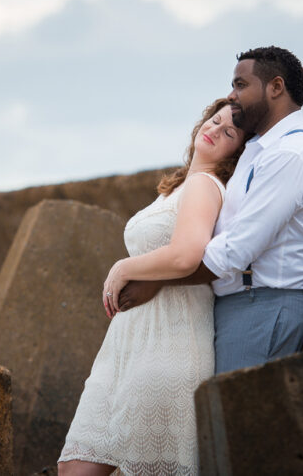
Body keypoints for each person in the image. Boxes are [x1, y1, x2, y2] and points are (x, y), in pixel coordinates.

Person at [117, 46, 303, 375]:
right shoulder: (261, 149)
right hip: (245, 303)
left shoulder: (292, 153)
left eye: (241, 85)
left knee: (238, 423)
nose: (232, 96)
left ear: (275, 87)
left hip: (263, 306)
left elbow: (235, 248)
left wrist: (157, 281)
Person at [58, 97, 246, 476]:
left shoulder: (205, 186)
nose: (214, 129)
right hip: (126, 346)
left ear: (236, 152)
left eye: (228, 132)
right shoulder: (178, 187)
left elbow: (185, 256)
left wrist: (124, 266)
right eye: (214, 119)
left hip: (167, 346)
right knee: (74, 468)